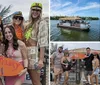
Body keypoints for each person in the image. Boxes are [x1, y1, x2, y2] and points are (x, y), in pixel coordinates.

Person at [24, 2, 48, 85]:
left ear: (40, 12)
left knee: (36, 81)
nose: (35, 11)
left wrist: (41, 60)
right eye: (33, 9)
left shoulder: (42, 22)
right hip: (24, 53)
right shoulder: (28, 23)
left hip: (33, 55)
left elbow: (43, 42)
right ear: (30, 10)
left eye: (38, 10)